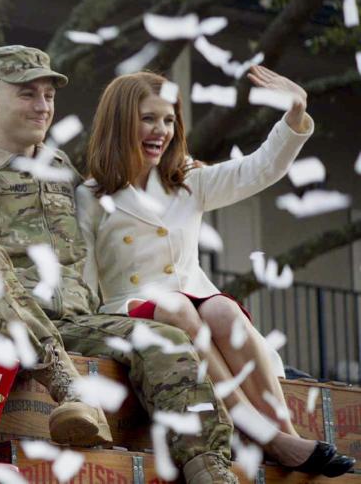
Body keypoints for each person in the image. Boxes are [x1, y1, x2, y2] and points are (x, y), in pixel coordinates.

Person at [0, 0, 235, 482]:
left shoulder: (62, 169)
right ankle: (69, 391)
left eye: (48, 95)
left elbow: (127, 184)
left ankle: (208, 466)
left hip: (69, 324)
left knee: (166, 339)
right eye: (28, 94)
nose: (43, 105)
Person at [77, 69, 355, 477]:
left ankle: (286, 433)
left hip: (194, 307)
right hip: (129, 310)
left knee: (223, 310)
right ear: (120, 122)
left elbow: (257, 169)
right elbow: (81, 277)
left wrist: (295, 114)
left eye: (170, 120)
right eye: (148, 118)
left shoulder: (188, 181)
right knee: (178, 310)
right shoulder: (91, 195)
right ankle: (265, 435)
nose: (162, 130)